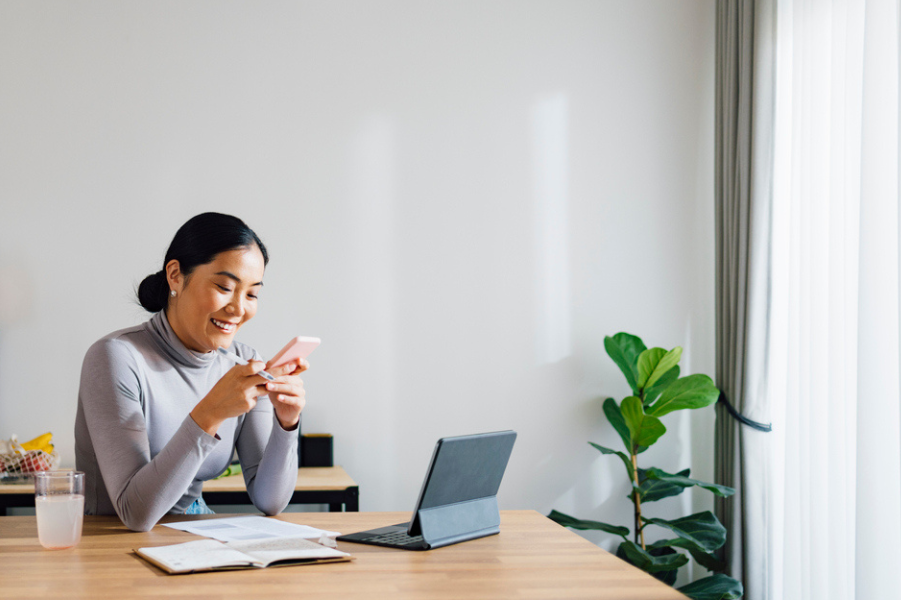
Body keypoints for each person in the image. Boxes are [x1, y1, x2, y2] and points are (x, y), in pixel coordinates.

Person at [74, 212, 306, 531]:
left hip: (195, 538)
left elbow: (270, 500)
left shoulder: (244, 361)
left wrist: (286, 422)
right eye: (225, 286)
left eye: (252, 293)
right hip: (115, 549)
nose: (239, 309)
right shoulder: (115, 357)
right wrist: (210, 413)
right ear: (175, 276)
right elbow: (136, 514)